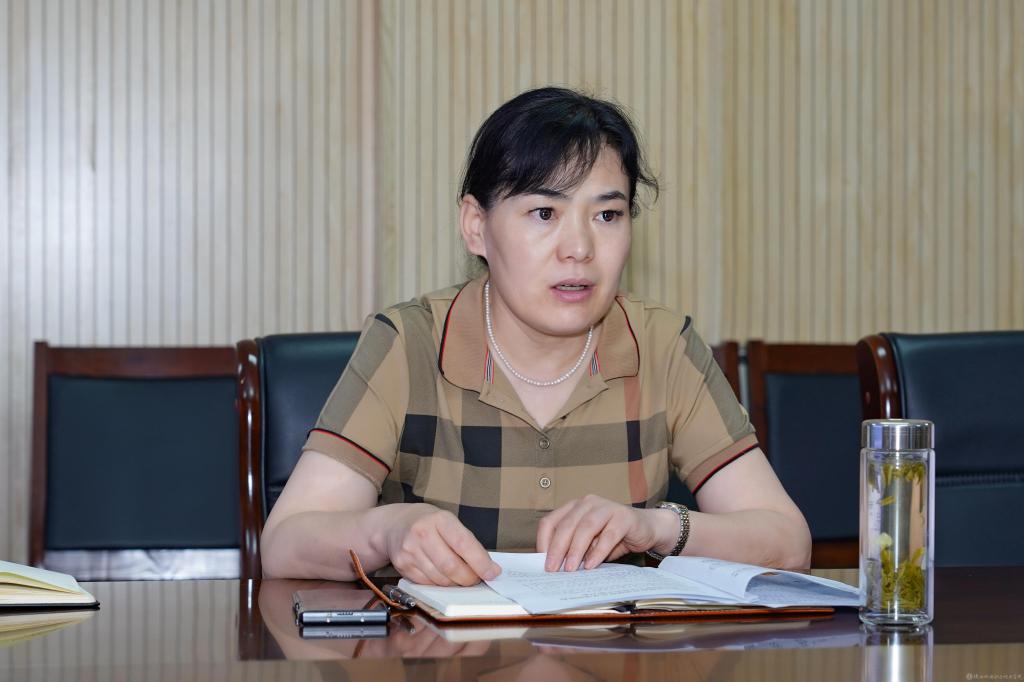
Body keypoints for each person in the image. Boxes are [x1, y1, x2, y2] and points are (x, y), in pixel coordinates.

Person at [261, 87, 811, 585]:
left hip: (615, 650)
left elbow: (788, 542)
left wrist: (656, 528)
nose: (580, 249)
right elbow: (285, 543)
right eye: (545, 212)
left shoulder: (663, 344)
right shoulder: (409, 343)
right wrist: (389, 531)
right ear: (476, 225)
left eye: (608, 215)